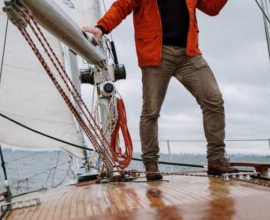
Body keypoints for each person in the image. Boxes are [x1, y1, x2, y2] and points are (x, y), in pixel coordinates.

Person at [83, 0, 238, 180]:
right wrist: (102, 27)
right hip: (156, 53)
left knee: (214, 100)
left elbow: (212, 8)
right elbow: (122, 5)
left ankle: (216, 159)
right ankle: (151, 163)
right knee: (151, 110)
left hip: (189, 53)